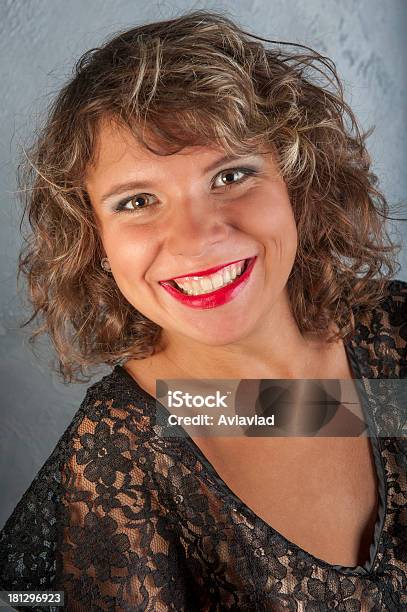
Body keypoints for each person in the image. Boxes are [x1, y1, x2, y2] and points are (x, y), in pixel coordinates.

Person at [0, 8, 406, 611]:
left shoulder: (392, 326)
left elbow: (293, 410)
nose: (196, 237)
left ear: (297, 180)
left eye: (231, 175)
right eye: (137, 200)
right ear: (94, 242)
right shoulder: (122, 460)